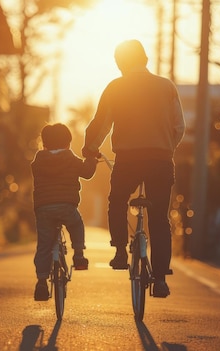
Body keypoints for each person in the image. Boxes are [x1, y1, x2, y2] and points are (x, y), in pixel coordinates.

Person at [82, 39, 185, 298]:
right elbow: (178, 127)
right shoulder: (166, 86)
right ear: (146, 59)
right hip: (161, 160)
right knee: (160, 219)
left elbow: (101, 123)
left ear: (120, 63)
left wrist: (90, 148)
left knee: (117, 201)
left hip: (128, 160)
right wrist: (166, 148)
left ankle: (119, 251)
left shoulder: (116, 87)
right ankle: (160, 278)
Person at [31, 123, 98, 301]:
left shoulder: (38, 161)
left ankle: (41, 281)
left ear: (44, 144)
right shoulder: (70, 158)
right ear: (68, 143)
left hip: (44, 208)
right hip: (67, 206)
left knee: (44, 244)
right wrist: (92, 159)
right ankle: (79, 255)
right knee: (76, 225)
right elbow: (87, 172)